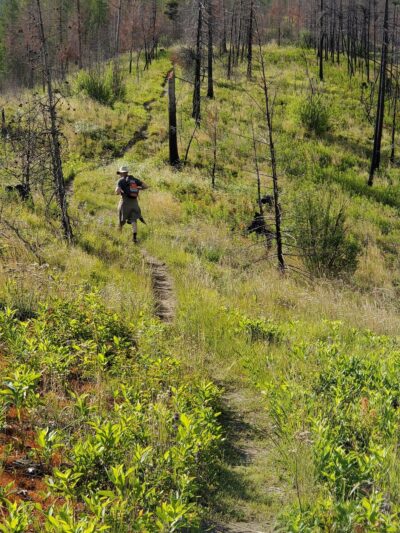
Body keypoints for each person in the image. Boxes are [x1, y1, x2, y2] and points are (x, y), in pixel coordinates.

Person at [115, 165, 148, 243]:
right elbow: (145, 186)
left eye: (120, 173)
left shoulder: (120, 181)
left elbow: (117, 192)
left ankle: (118, 237)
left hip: (124, 203)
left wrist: (118, 191)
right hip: (134, 203)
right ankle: (134, 238)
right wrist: (138, 188)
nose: (119, 174)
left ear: (122, 173)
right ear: (127, 172)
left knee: (121, 221)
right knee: (134, 220)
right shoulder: (134, 180)